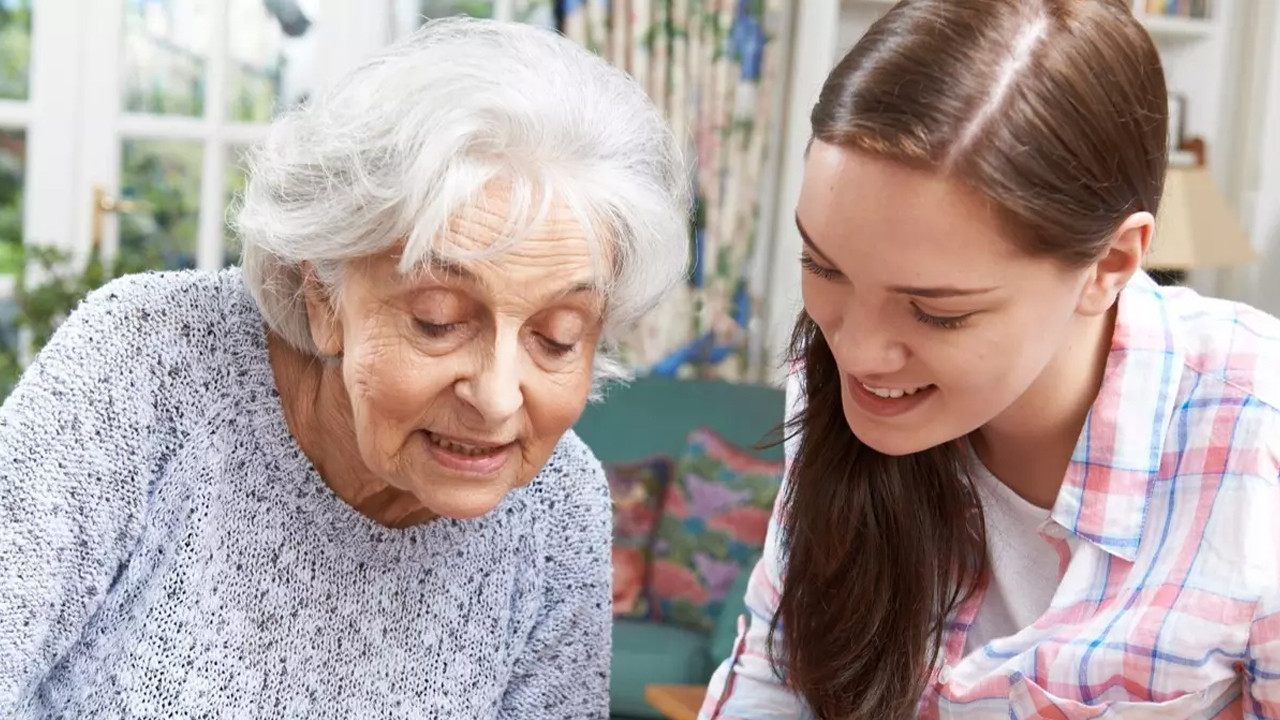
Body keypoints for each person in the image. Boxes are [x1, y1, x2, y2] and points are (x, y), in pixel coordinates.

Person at [0, 16, 690, 718]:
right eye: (439, 322)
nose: (496, 397)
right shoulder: (146, 359)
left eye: (557, 336)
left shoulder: (558, 505)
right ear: (321, 295)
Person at [701, 0, 1280, 718]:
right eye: (823, 268)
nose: (856, 350)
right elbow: (776, 677)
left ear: (1111, 263)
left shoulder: (1257, 445)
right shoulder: (839, 379)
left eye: (937, 311)